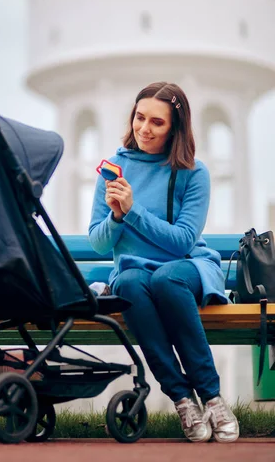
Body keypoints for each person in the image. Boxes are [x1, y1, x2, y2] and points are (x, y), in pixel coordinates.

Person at [88, 81, 239, 443]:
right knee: (127, 284)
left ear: (175, 128)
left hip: (187, 267)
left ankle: (212, 397)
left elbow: (183, 242)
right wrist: (117, 217)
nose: (144, 128)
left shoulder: (194, 172)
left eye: (157, 122)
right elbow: (97, 241)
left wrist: (133, 210)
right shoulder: (115, 168)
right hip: (136, 275)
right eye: (140, 117)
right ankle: (183, 399)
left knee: (167, 279)